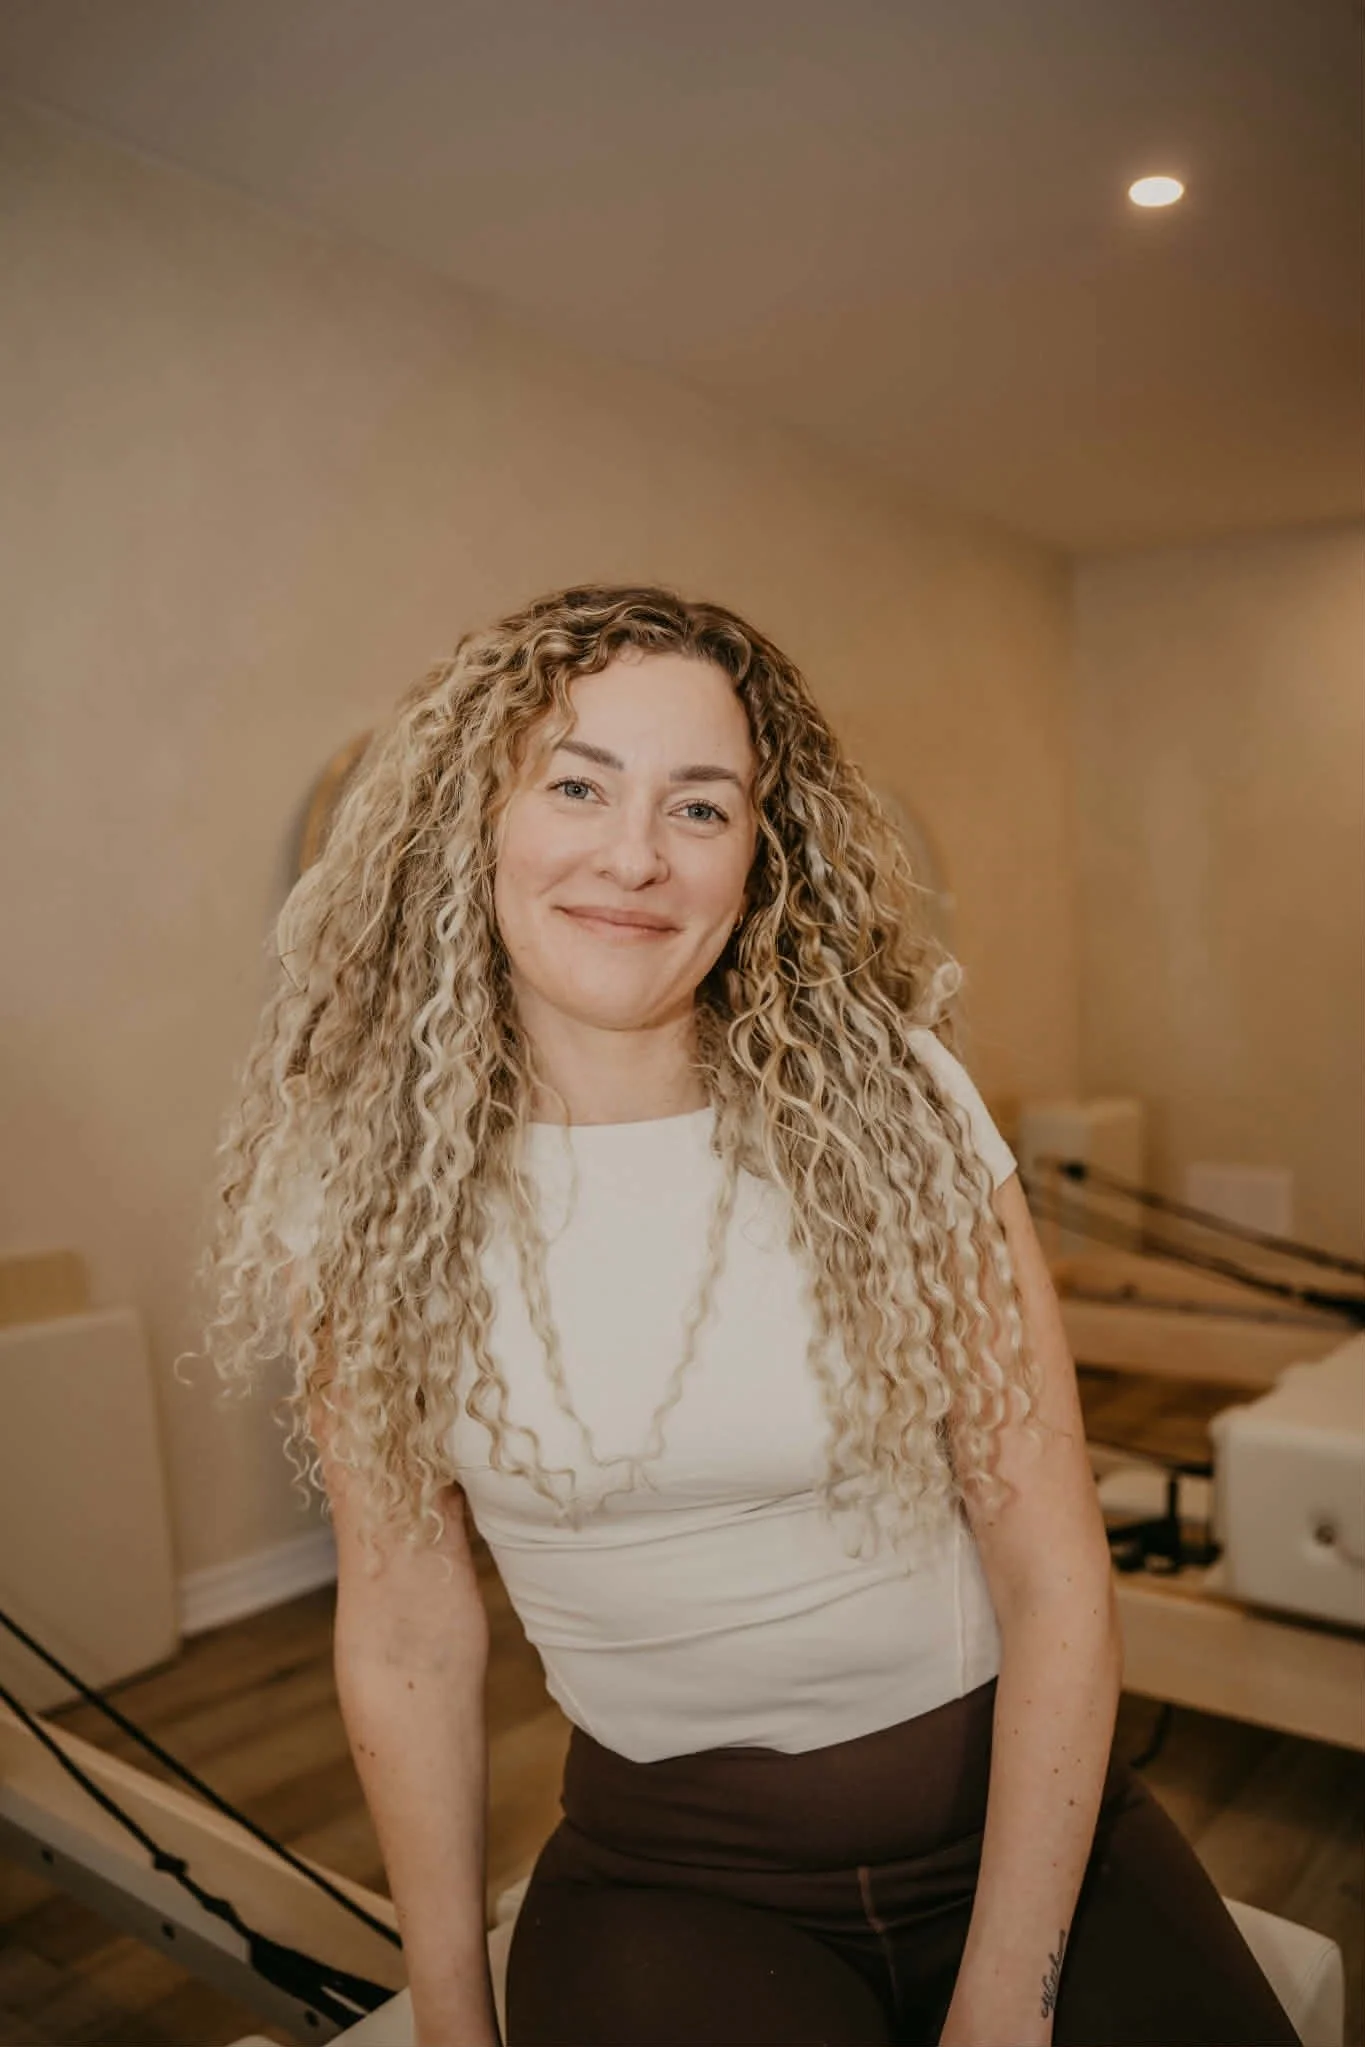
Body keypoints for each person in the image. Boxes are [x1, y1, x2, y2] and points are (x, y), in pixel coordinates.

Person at [202, 585, 1301, 2047]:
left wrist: (1008, 1995)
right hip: (676, 1886)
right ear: (473, 819)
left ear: (755, 857)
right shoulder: (346, 1185)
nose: (636, 854)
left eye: (701, 807)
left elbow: (1051, 1567)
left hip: (1034, 1831)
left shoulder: (895, 1105)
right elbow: (407, 1629)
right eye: (579, 782)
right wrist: (453, 2023)